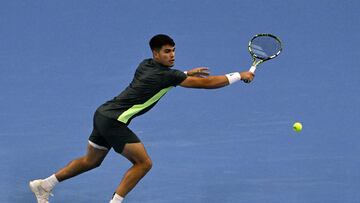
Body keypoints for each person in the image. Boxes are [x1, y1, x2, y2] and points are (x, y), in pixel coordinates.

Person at [29, 34, 254, 203]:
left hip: (102, 114)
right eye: (167, 51)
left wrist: (185, 73)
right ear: (156, 53)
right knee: (144, 163)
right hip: (114, 121)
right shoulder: (168, 75)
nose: (172, 55)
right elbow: (207, 83)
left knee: (92, 161)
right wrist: (239, 75)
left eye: (173, 50)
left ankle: (44, 185)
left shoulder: (145, 65)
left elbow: (168, 77)